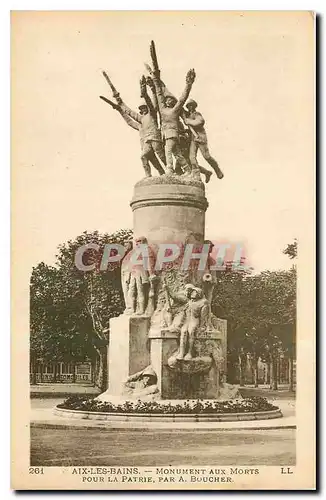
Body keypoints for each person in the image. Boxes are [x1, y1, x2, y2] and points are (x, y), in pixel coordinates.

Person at [152, 68, 196, 175]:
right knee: (177, 154)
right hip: (166, 135)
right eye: (167, 99)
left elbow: (182, 98)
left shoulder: (175, 110)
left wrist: (188, 84)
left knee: (168, 150)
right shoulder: (162, 109)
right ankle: (187, 169)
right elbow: (159, 92)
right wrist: (155, 79)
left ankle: (170, 169)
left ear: (173, 102)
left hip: (172, 134)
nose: (168, 100)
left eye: (171, 99)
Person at [183, 99, 224, 180]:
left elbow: (200, 121)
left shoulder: (197, 114)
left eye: (191, 105)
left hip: (201, 137)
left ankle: (217, 170)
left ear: (194, 106)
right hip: (193, 138)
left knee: (207, 156)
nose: (190, 107)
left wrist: (188, 121)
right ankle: (196, 174)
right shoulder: (187, 116)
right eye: (188, 106)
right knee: (192, 157)